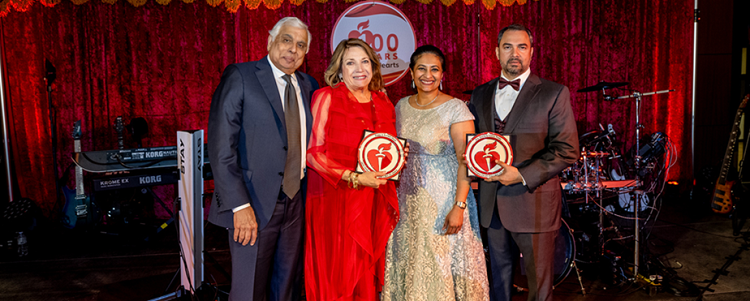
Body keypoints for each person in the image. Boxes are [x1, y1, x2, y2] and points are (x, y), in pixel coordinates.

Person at [206, 17, 318, 301]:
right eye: (286, 40)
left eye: (301, 45)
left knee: (287, 287)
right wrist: (239, 205)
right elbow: (221, 148)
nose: (293, 49)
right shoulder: (241, 76)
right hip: (252, 204)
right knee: (249, 290)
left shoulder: (309, 85)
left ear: (306, 53)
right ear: (270, 41)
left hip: (296, 202)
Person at [468, 24, 579, 301]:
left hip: (534, 203)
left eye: (521, 47)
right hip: (491, 205)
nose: (514, 53)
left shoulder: (554, 92)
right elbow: (473, 144)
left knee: (539, 287)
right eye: (507, 47)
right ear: (496, 52)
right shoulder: (479, 94)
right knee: (498, 283)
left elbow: (567, 149)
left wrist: (520, 175)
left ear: (531, 52)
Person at [383, 45, 490, 301]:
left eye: (434, 69)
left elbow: (467, 161)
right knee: (411, 259)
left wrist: (459, 205)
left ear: (442, 74)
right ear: (411, 72)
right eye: (421, 68)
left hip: (444, 201)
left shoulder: (456, 109)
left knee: (440, 263)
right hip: (407, 202)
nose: (427, 75)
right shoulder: (400, 106)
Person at [305, 38, 399, 301]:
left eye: (365, 61)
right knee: (338, 272)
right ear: (339, 69)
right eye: (350, 62)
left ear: (374, 66)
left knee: (364, 271)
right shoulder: (325, 97)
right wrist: (355, 177)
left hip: (372, 199)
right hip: (334, 198)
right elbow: (313, 154)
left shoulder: (383, 101)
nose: (359, 68)